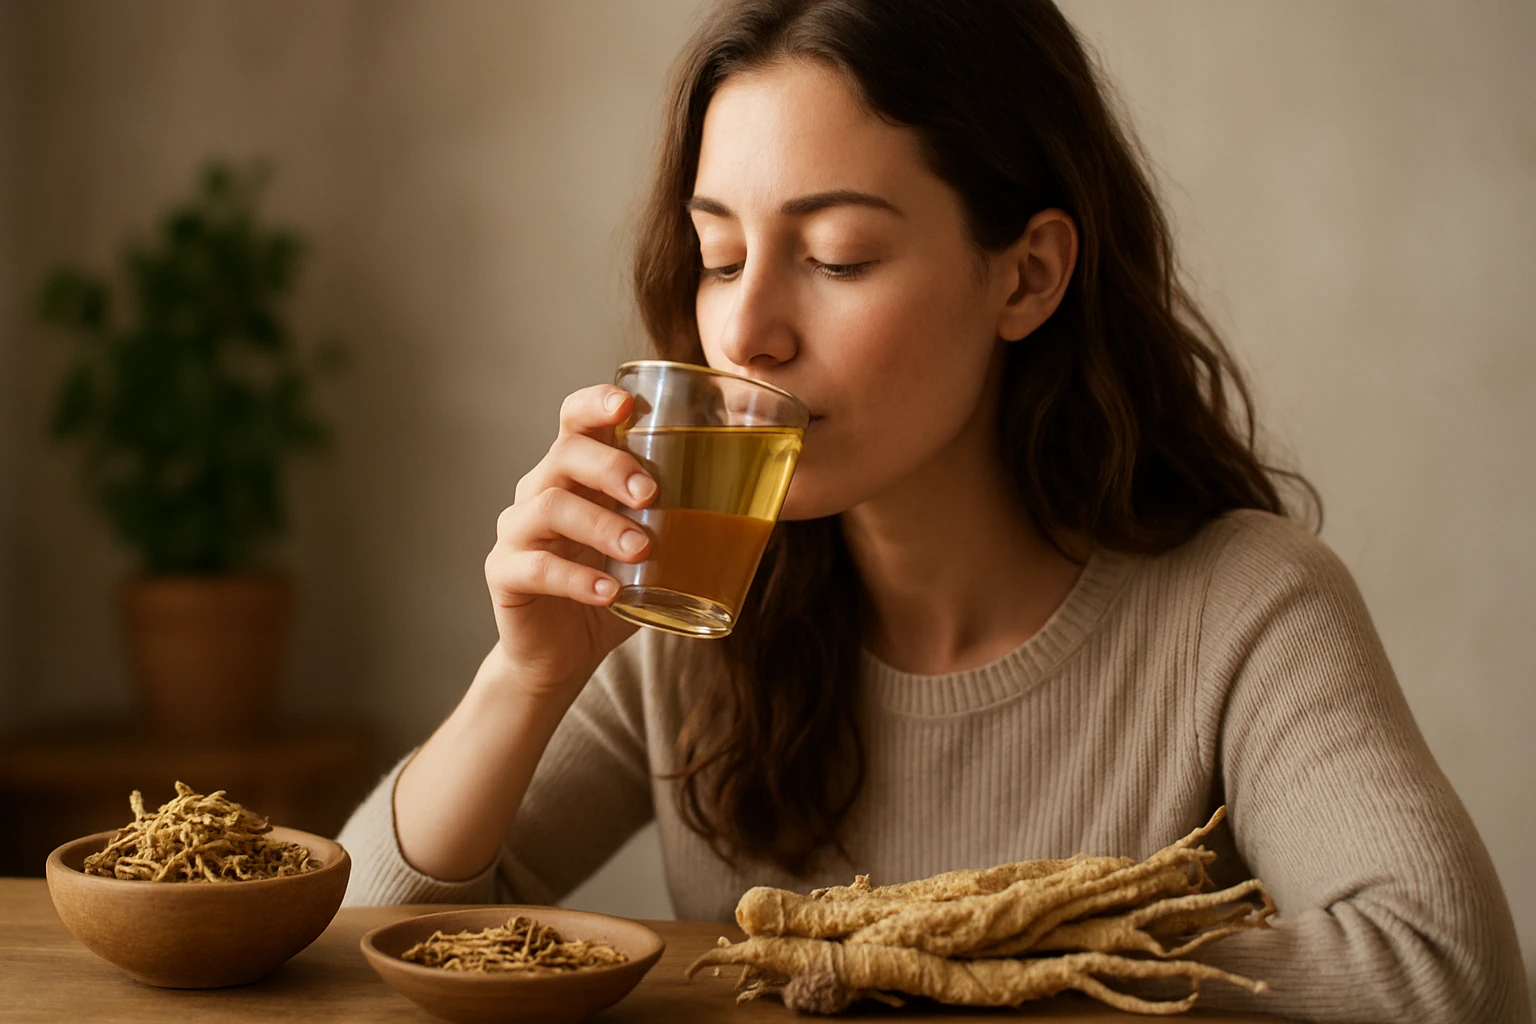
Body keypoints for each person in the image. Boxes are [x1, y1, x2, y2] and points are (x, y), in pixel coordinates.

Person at [338, 1, 1529, 1019]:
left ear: (1028, 275)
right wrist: (526, 677)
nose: (747, 331)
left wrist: (942, 956)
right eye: (718, 256)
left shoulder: (1246, 608)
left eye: (838, 256)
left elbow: (1448, 974)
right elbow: (354, 944)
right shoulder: (692, 603)